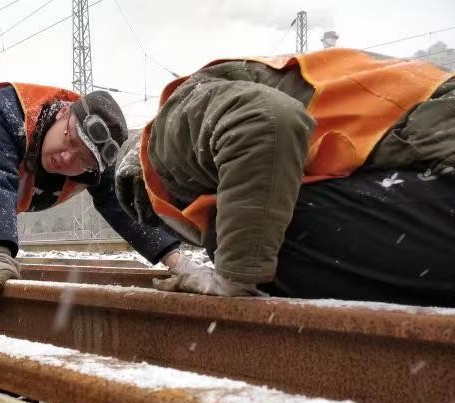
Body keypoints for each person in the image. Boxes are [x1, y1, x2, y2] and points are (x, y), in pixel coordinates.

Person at [115, 48, 455, 307]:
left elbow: (269, 121)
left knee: (244, 240)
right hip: (432, 164)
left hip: (442, 161)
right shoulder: (243, 86)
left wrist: (233, 279)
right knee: (256, 227)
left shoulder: (168, 140)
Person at [0, 83, 184, 306]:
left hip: (14, 177)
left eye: (81, 158)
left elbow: (120, 206)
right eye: (69, 140)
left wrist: (179, 263)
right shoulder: (3, 113)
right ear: (64, 113)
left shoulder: (94, 168)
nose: (66, 156)